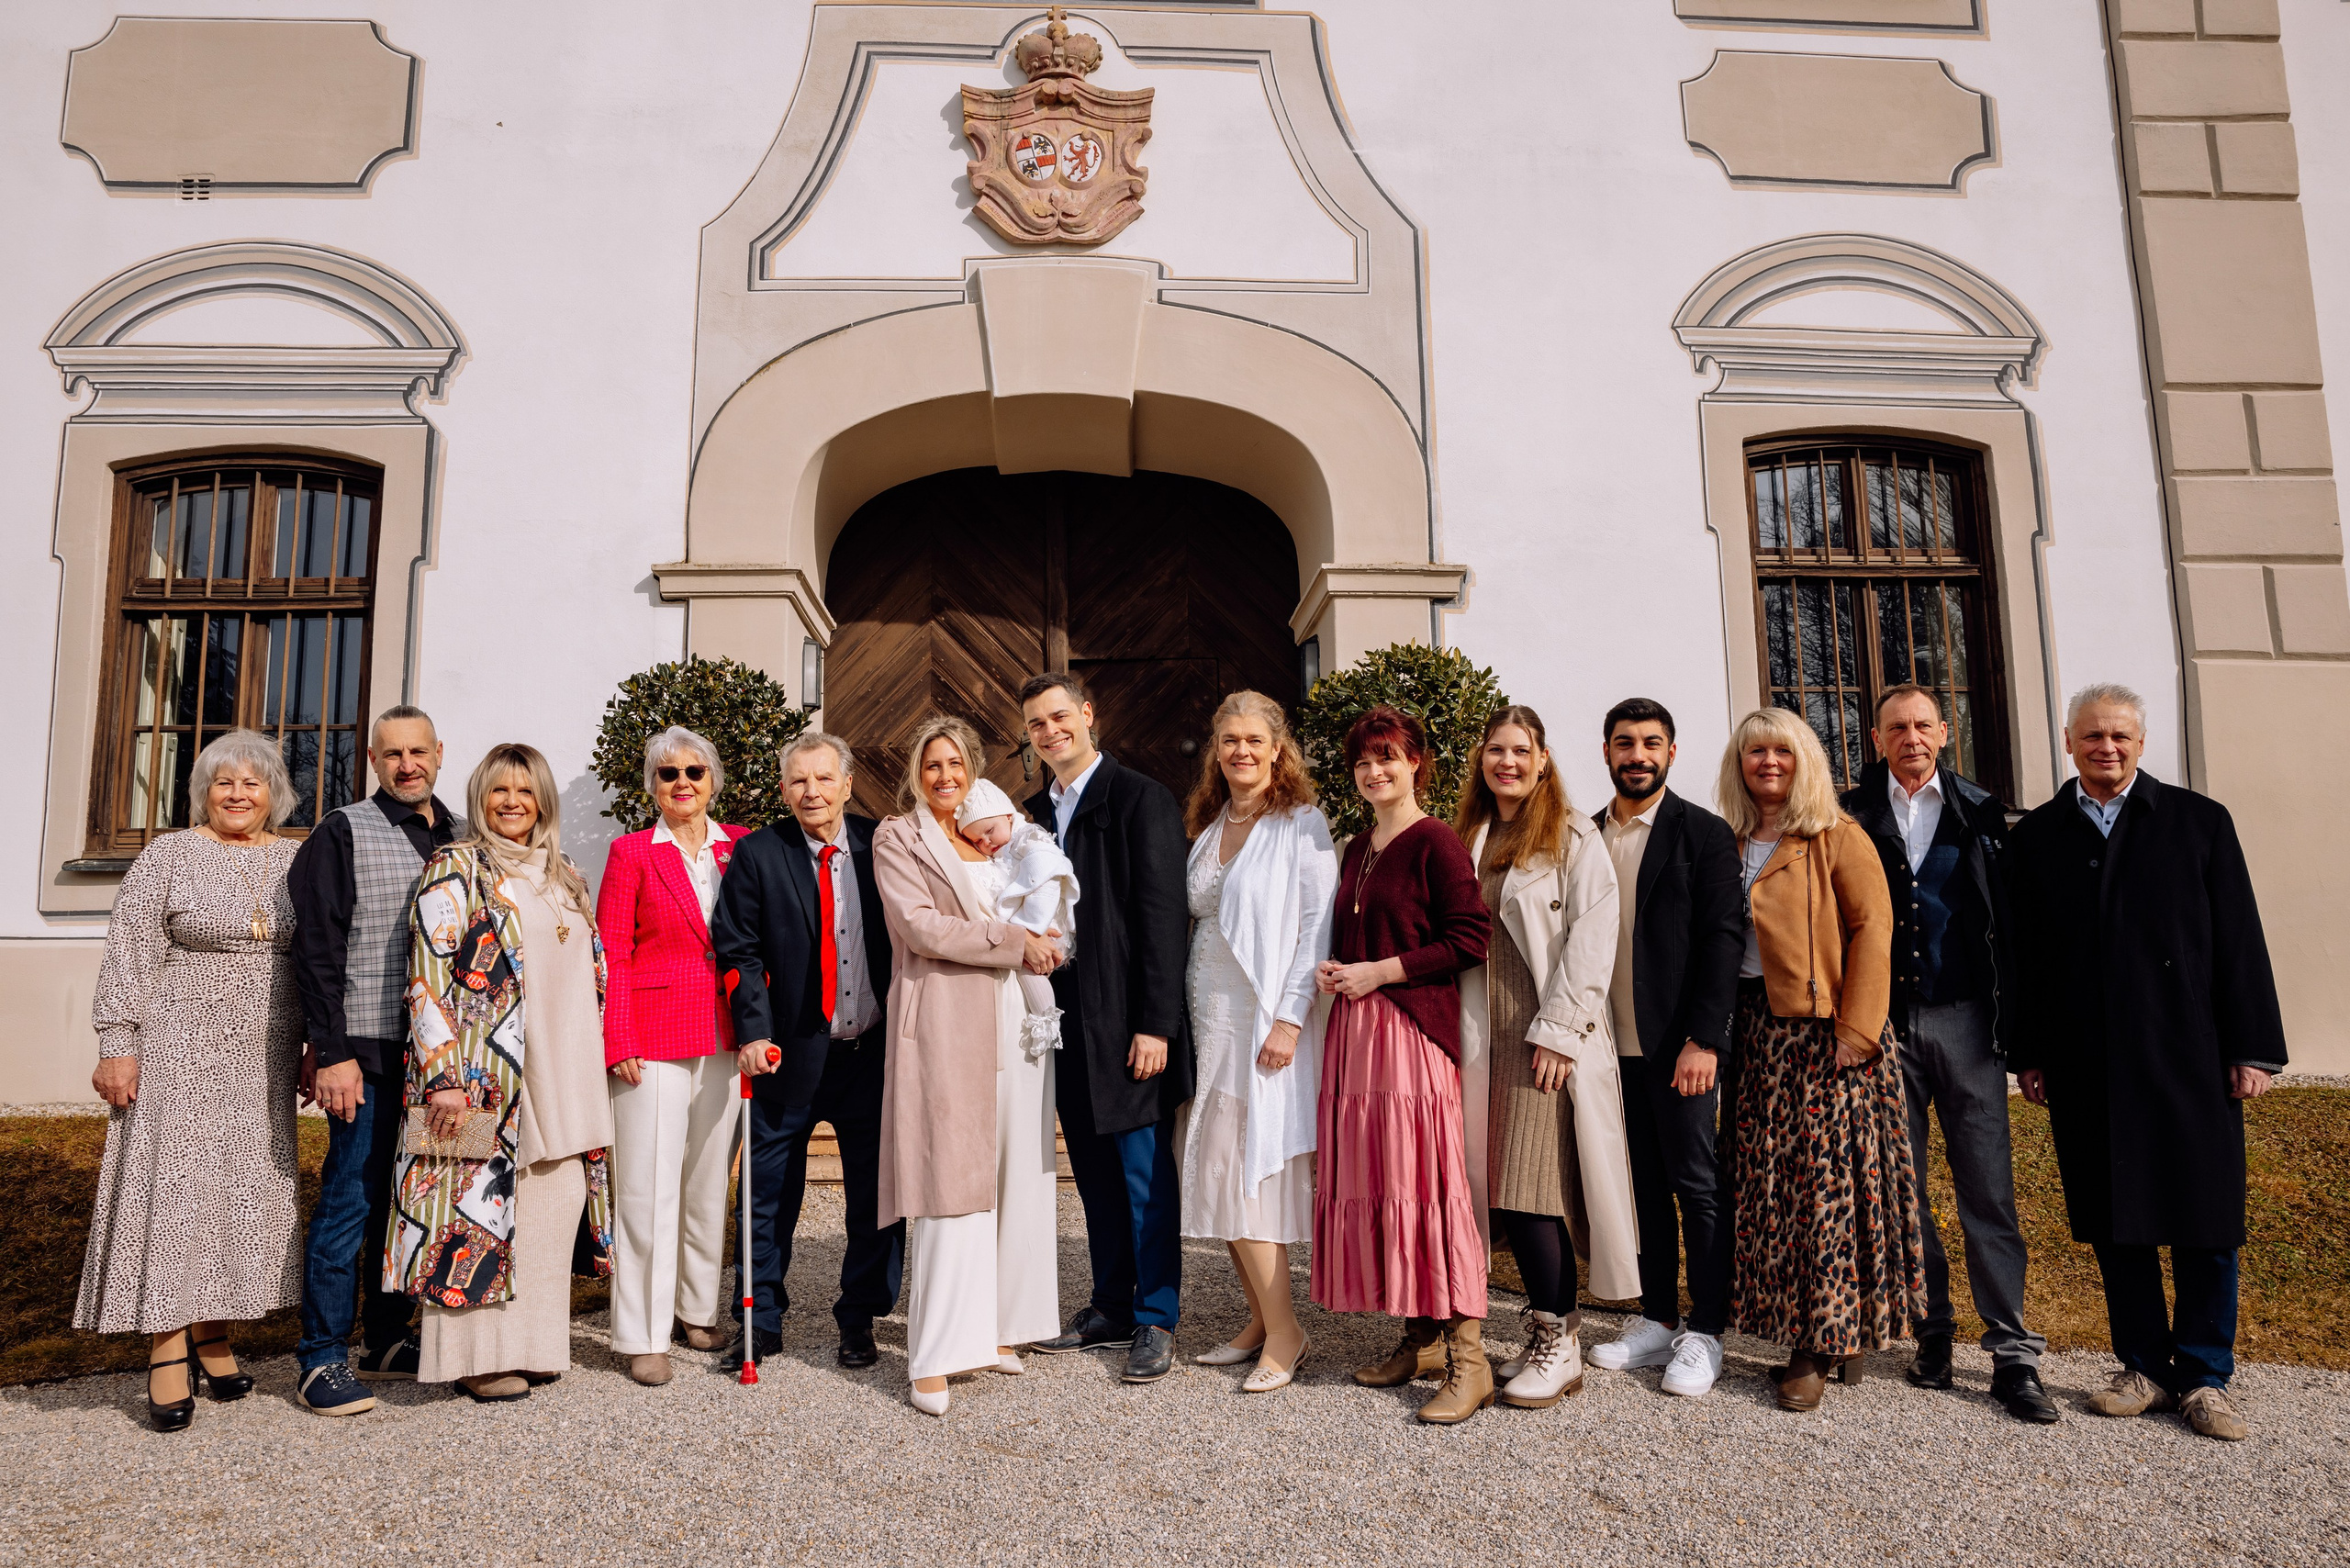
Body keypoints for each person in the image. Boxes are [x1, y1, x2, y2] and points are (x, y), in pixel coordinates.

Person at [2008, 683, 2288, 1442]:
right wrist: (2028, 1051)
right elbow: (2026, 959)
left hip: (2189, 1050)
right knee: (2116, 1217)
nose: (2108, 748)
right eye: (2093, 737)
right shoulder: (2037, 837)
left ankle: (2203, 1375)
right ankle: (2142, 1365)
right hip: (2086, 1057)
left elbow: (2239, 939)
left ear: (2141, 742)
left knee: (2205, 1218)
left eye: (2121, 737)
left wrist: (2253, 1048)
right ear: (2069, 743)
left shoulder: (2198, 822)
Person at [1840, 684, 2056, 1424]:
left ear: (1944, 731)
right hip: (1886, 1024)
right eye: (1896, 727)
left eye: (1923, 725)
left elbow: (2018, 933)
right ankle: (1932, 1327)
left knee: (1988, 1190)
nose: (1911, 738)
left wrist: (2023, 1039)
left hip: (1968, 1020)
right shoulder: (1848, 813)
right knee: (1907, 1191)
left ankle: (2012, 1352)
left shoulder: (1982, 811)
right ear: (1876, 738)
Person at [76, 730, 303, 1431]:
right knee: (174, 1193)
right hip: (180, 1050)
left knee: (241, 1192)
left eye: (253, 783)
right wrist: (119, 1042)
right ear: (203, 792)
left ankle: (214, 1331)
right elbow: (129, 951)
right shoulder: (168, 855)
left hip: (264, 1056)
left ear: (275, 794)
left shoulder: (299, 860)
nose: (239, 795)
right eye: (223, 783)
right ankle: (167, 1342)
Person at [387, 744, 615, 1404]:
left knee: (550, 1208)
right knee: (472, 1216)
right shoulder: (455, 867)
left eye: (525, 790)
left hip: (565, 1069)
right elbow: (427, 978)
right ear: (480, 798)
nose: (513, 803)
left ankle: (535, 1346)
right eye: (499, 791)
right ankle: (476, 1357)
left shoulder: (564, 871)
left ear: (543, 798)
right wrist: (443, 1078)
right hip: (486, 1076)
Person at [1718, 707, 1922, 1412]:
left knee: (1825, 1195)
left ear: (1804, 759)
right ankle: (1794, 1328)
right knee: (1771, 1192)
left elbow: (1874, 929)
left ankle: (1823, 1341)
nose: (1767, 762)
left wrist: (1858, 1031)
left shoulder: (1836, 835)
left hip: (1825, 1036)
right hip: (1754, 1034)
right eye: (1753, 753)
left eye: (1781, 750)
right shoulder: (1734, 839)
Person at [872, 716, 1062, 1415]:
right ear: (916, 773)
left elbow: (1046, 895)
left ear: (974, 766)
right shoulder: (899, 836)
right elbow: (920, 926)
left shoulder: (1005, 829)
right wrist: (1017, 941)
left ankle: (1000, 1328)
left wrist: (1049, 938)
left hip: (1021, 1016)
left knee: (1019, 1169)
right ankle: (938, 1351)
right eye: (932, 766)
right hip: (950, 1017)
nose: (945, 776)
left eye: (956, 764)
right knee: (954, 1177)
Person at [1452, 705, 1639, 1410]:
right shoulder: (1466, 835)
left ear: (1543, 759)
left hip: (1539, 1040)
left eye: (1520, 750)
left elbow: (1594, 939)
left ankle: (1558, 1343)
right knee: (1498, 1187)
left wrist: (1559, 1032)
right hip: (1481, 1039)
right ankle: (1544, 1330)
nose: (1507, 762)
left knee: (1532, 1194)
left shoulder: (1571, 835)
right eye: (1496, 750)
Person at [1313, 705, 1494, 1425]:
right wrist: (1342, 971)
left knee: (1427, 1183)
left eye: (1387, 757)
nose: (1374, 771)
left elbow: (1471, 937)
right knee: (1382, 1181)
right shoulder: (1358, 846)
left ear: (1416, 762)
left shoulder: (1436, 841)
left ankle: (1469, 1358)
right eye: (1362, 762)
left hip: (1411, 1035)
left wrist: (1381, 971)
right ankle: (1418, 1337)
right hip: (1359, 1034)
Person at [287, 704, 462, 1417]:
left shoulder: (464, 835)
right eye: (392, 754)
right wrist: (330, 1052)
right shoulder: (343, 832)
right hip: (366, 1053)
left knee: (418, 1199)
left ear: (440, 753)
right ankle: (320, 1357)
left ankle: (389, 1338)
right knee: (351, 1199)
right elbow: (317, 951)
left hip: (448, 1067)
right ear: (373, 760)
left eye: (418, 751)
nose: (407, 764)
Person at [1021, 673, 1192, 1384]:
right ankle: (1110, 1308)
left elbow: (1161, 918)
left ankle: (1155, 1318)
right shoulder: (1031, 813)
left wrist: (1157, 1024)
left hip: (1127, 1023)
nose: (1050, 731)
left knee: (1143, 1176)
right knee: (1092, 1176)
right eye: (1036, 724)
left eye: (1060, 716)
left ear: (1089, 714)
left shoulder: (1140, 798)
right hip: (1063, 1022)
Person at [714, 733, 904, 1372]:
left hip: (870, 1057)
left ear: (849, 785)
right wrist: (753, 1031)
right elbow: (738, 948)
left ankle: (859, 1317)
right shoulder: (759, 854)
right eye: (799, 781)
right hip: (785, 1058)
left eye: (825, 779)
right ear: (783, 789)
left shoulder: (886, 846)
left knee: (876, 1201)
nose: (812, 792)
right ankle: (760, 1321)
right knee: (767, 1195)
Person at [1583, 698, 1745, 1398]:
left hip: (1680, 1047)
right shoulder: (1585, 836)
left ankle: (1705, 1332)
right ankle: (1656, 1318)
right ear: (1607, 751)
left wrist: (1704, 1038)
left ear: (1672, 753)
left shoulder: (1702, 834)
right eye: (1625, 743)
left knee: (1696, 1185)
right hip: (1607, 1049)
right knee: (1641, 1185)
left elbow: (1723, 940)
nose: (1638, 755)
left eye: (1652, 743)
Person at [1178, 690, 1335, 1394]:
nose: (1241, 751)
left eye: (1253, 740)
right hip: (1208, 1014)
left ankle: (1287, 1331)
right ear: (1217, 750)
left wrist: (1291, 1017)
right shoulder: (1212, 824)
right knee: (1217, 1168)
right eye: (1229, 740)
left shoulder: (1302, 825)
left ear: (1278, 749)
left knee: (1246, 1174)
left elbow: (1315, 928)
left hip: (1261, 1014)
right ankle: (1260, 1319)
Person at [599, 726, 755, 1385]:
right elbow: (612, 952)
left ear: (713, 779)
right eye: (668, 774)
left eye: (694, 770)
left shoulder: (741, 847)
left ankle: (695, 1308)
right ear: (652, 786)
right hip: (652, 1039)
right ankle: (641, 1331)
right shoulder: (631, 852)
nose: (682, 782)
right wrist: (617, 1039)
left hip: (726, 1037)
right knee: (645, 1188)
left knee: (704, 1184)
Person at [955, 777, 1078, 1055]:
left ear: (1009, 816)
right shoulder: (1005, 845)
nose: (986, 842)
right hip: (1033, 927)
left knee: (1029, 971)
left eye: (989, 830)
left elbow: (1045, 876)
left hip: (1046, 925)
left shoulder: (1028, 838)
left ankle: (1046, 1021)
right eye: (977, 840)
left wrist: (1029, 931)